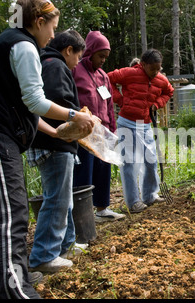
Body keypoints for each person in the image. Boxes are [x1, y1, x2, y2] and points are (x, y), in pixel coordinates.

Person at [0, 0, 95, 299]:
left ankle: (17, 280)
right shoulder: (23, 46)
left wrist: (58, 132)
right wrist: (76, 115)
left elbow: (28, 111)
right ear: (38, 21)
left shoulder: (13, 43)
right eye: (52, 28)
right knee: (9, 216)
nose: (52, 36)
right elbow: (35, 101)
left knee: (14, 212)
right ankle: (17, 291)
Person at [27, 30, 92, 273]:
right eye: (78, 56)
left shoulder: (46, 63)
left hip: (55, 141)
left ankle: (67, 243)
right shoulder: (55, 66)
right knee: (56, 199)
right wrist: (78, 113)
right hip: (54, 143)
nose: (78, 62)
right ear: (68, 50)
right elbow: (58, 101)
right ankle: (44, 256)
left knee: (64, 199)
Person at [108, 49, 174, 213]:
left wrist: (157, 104)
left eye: (159, 69)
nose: (156, 72)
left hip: (145, 124)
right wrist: (120, 99)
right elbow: (107, 79)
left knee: (151, 159)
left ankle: (150, 195)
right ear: (143, 65)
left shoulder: (160, 79)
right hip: (127, 122)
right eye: (153, 69)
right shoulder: (129, 73)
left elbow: (169, 91)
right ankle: (133, 202)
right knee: (129, 163)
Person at [72, 31, 126, 222]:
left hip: (102, 132)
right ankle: (84, 212)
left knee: (103, 168)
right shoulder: (75, 69)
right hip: (84, 130)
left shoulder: (103, 76)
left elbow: (108, 104)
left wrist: (111, 127)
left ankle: (102, 208)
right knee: (84, 170)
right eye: (100, 56)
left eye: (106, 57)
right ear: (90, 51)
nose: (103, 60)